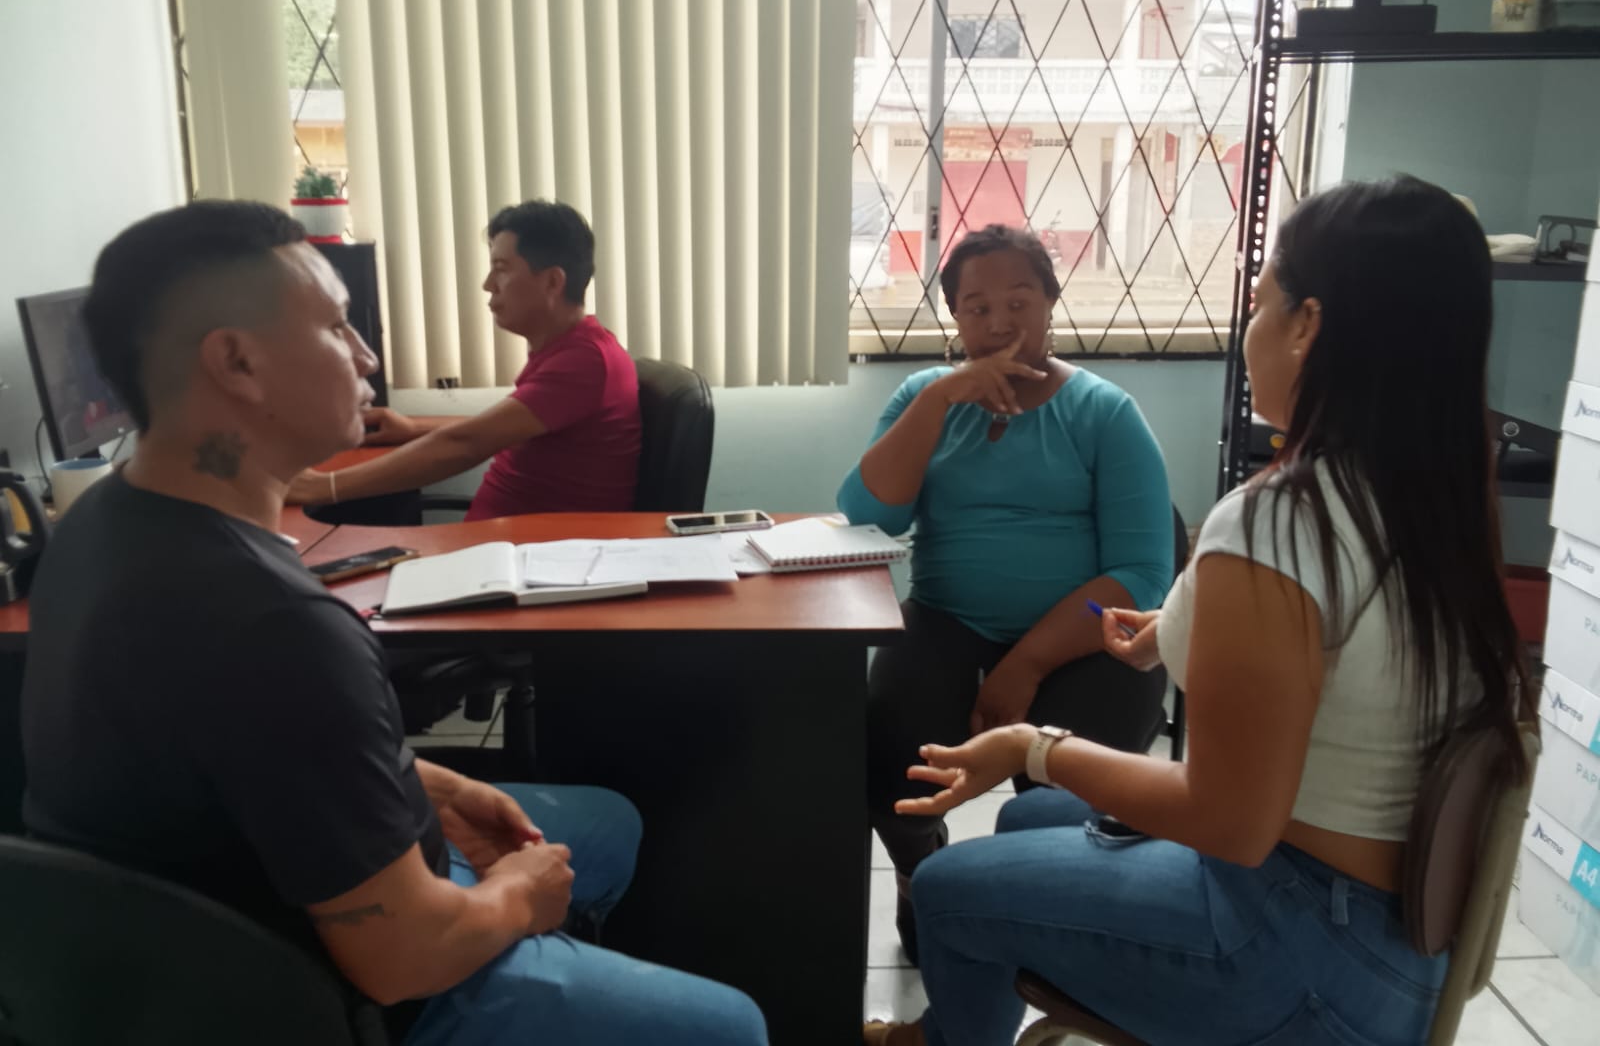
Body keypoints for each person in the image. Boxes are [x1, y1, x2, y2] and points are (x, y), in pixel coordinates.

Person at [21, 201, 766, 1046]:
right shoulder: (277, 628)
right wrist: (518, 896)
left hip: (192, 940)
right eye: (337, 326)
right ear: (237, 362)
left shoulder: (93, 527)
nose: (366, 355)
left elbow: (259, 752)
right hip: (328, 985)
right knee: (733, 1027)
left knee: (608, 823)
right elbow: (403, 959)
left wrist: (430, 785)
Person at [863, 177, 1532, 1046]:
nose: (1248, 333)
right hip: (1396, 946)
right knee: (1030, 819)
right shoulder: (1435, 498)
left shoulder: (1277, 518)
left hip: (1295, 953)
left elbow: (1229, 823)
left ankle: (946, 1037)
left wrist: (1034, 747)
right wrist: (1173, 635)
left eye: (1259, 306)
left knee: (951, 889)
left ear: (1307, 325)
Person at [836, 223, 1175, 964]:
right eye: (977, 307)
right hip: (946, 619)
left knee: (1062, 805)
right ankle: (921, 877)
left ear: (1050, 302)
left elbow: (1143, 574)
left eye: (1019, 301)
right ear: (955, 317)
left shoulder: (1105, 413)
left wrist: (1025, 665)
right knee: (895, 776)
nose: (999, 323)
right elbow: (866, 515)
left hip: (1086, 635)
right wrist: (937, 401)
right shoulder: (924, 397)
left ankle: (1037, 918)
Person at [286, 199, 641, 520]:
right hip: (504, 546)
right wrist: (414, 429)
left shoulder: (585, 362)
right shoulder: (569, 350)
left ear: (552, 282)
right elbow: (499, 429)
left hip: (534, 557)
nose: (488, 284)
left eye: (501, 268)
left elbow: (467, 444)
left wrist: (322, 486)